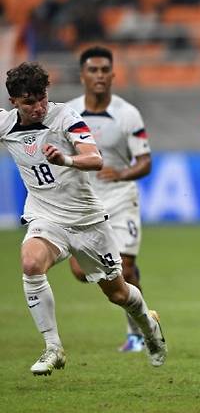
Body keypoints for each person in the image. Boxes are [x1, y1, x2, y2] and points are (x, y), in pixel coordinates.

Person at [0, 62, 166, 376]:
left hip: (86, 220)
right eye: (29, 102)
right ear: (14, 103)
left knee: (118, 293)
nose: (38, 107)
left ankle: (148, 326)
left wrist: (66, 159)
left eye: (41, 98)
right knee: (31, 263)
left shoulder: (65, 117)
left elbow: (95, 158)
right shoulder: (6, 125)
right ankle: (53, 348)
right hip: (45, 216)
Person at [66, 46, 153, 352]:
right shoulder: (69, 114)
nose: (99, 76)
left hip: (119, 197)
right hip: (85, 204)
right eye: (93, 70)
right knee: (80, 271)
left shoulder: (127, 114)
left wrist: (122, 173)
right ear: (82, 76)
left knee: (124, 271)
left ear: (114, 75)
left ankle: (137, 334)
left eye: (105, 70)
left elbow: (145, 161)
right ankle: (131, 286)